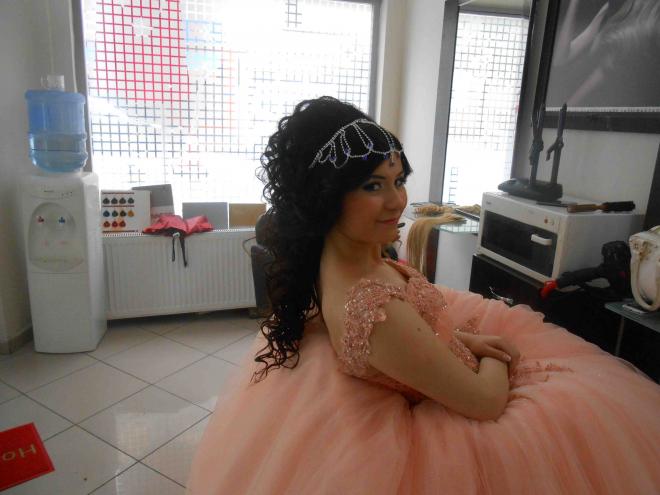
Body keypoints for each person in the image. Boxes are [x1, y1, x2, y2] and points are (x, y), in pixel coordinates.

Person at [187, 97, 660, 494]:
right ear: (324, 197)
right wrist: (495, 354)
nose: (397, 201)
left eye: (398, 181)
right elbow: (484, 404)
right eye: (373, 186)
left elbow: (416, 337)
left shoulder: (347, 258)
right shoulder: (372, 308)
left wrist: (464, 342)